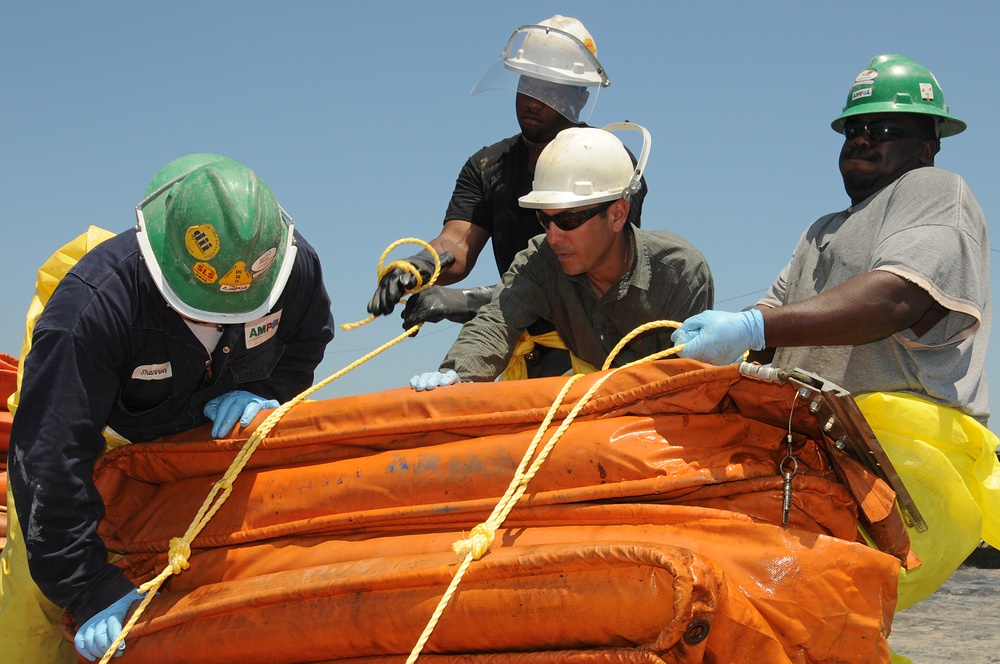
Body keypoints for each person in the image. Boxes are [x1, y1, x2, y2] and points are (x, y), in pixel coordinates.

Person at [671, 55, 1000, 615]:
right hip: (829, 451)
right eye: (855, 127)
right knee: (809, 626)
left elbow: (897, 296)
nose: (864, 139)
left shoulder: (934, 189)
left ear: (929, 145)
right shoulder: (821, 231)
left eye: (888, 129)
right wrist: (707, 353)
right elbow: (773, 319)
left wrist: (753, 325)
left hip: (906, 459)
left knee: (808, 607)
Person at [0, 155, 335, 662]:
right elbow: (50, 458)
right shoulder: (92, 310)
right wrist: (84, 585)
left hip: (202, 433)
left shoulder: (292, 271)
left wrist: (270, 388)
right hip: (101, 426)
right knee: (38, 608)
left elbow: (307, 341)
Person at [367, 15, 648, 378]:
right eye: (528, 83)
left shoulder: (608, 166)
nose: (533, 100)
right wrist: (418, 266)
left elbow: (586, 272)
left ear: (579, 98)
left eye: (550, 88)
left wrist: (465, 301)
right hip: (518, 346)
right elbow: (456, 242)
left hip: (593, 349)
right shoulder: (489, 165)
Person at [409, 123, 712, 389]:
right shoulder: (541, 261)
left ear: (618, 214)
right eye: (545, 219)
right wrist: (457, 377)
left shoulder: (679, 274)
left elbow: (685, 386)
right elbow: (497, 322)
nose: (553, 236)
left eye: (568, 220)